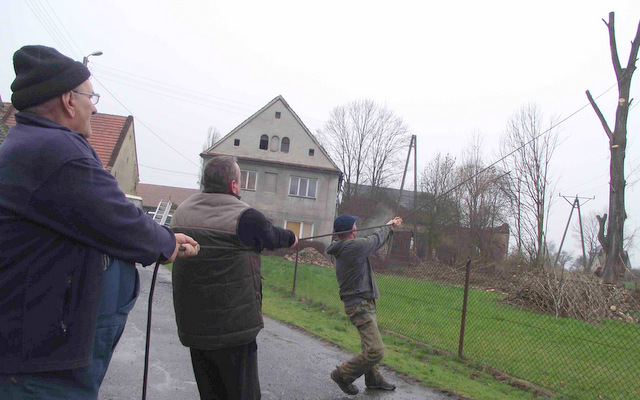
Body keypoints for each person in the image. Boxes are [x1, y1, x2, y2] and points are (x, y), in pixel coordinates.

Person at [0, 45, 200, 399]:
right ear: (68, 100)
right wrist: (167, 244)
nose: (95, 105)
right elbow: (120, 220)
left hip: (35, 349)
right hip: (39, 364)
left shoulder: (34, 143)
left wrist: (164, 238)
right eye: (91, 96)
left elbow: (103, 217)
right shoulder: (58, 152)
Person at [171, 156, 298, 400]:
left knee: (210, 393)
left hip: (194, 325)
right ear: (233, 186)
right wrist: (291, 237)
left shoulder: (181, 213)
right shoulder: (245, 217)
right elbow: (273, 236)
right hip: (233, 330)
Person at [326, 214, 403, 395]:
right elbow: (374, 241)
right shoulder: (351, 247)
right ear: (351, 230)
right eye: (354, 225)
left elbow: (373, 240)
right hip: (359, 304)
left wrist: (387, 227)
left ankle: (374, 379)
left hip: (362, 301)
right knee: (376, 350)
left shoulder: (346, 247)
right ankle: (342, 374)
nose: (356, 226)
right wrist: (389, 227)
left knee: (368, 344)